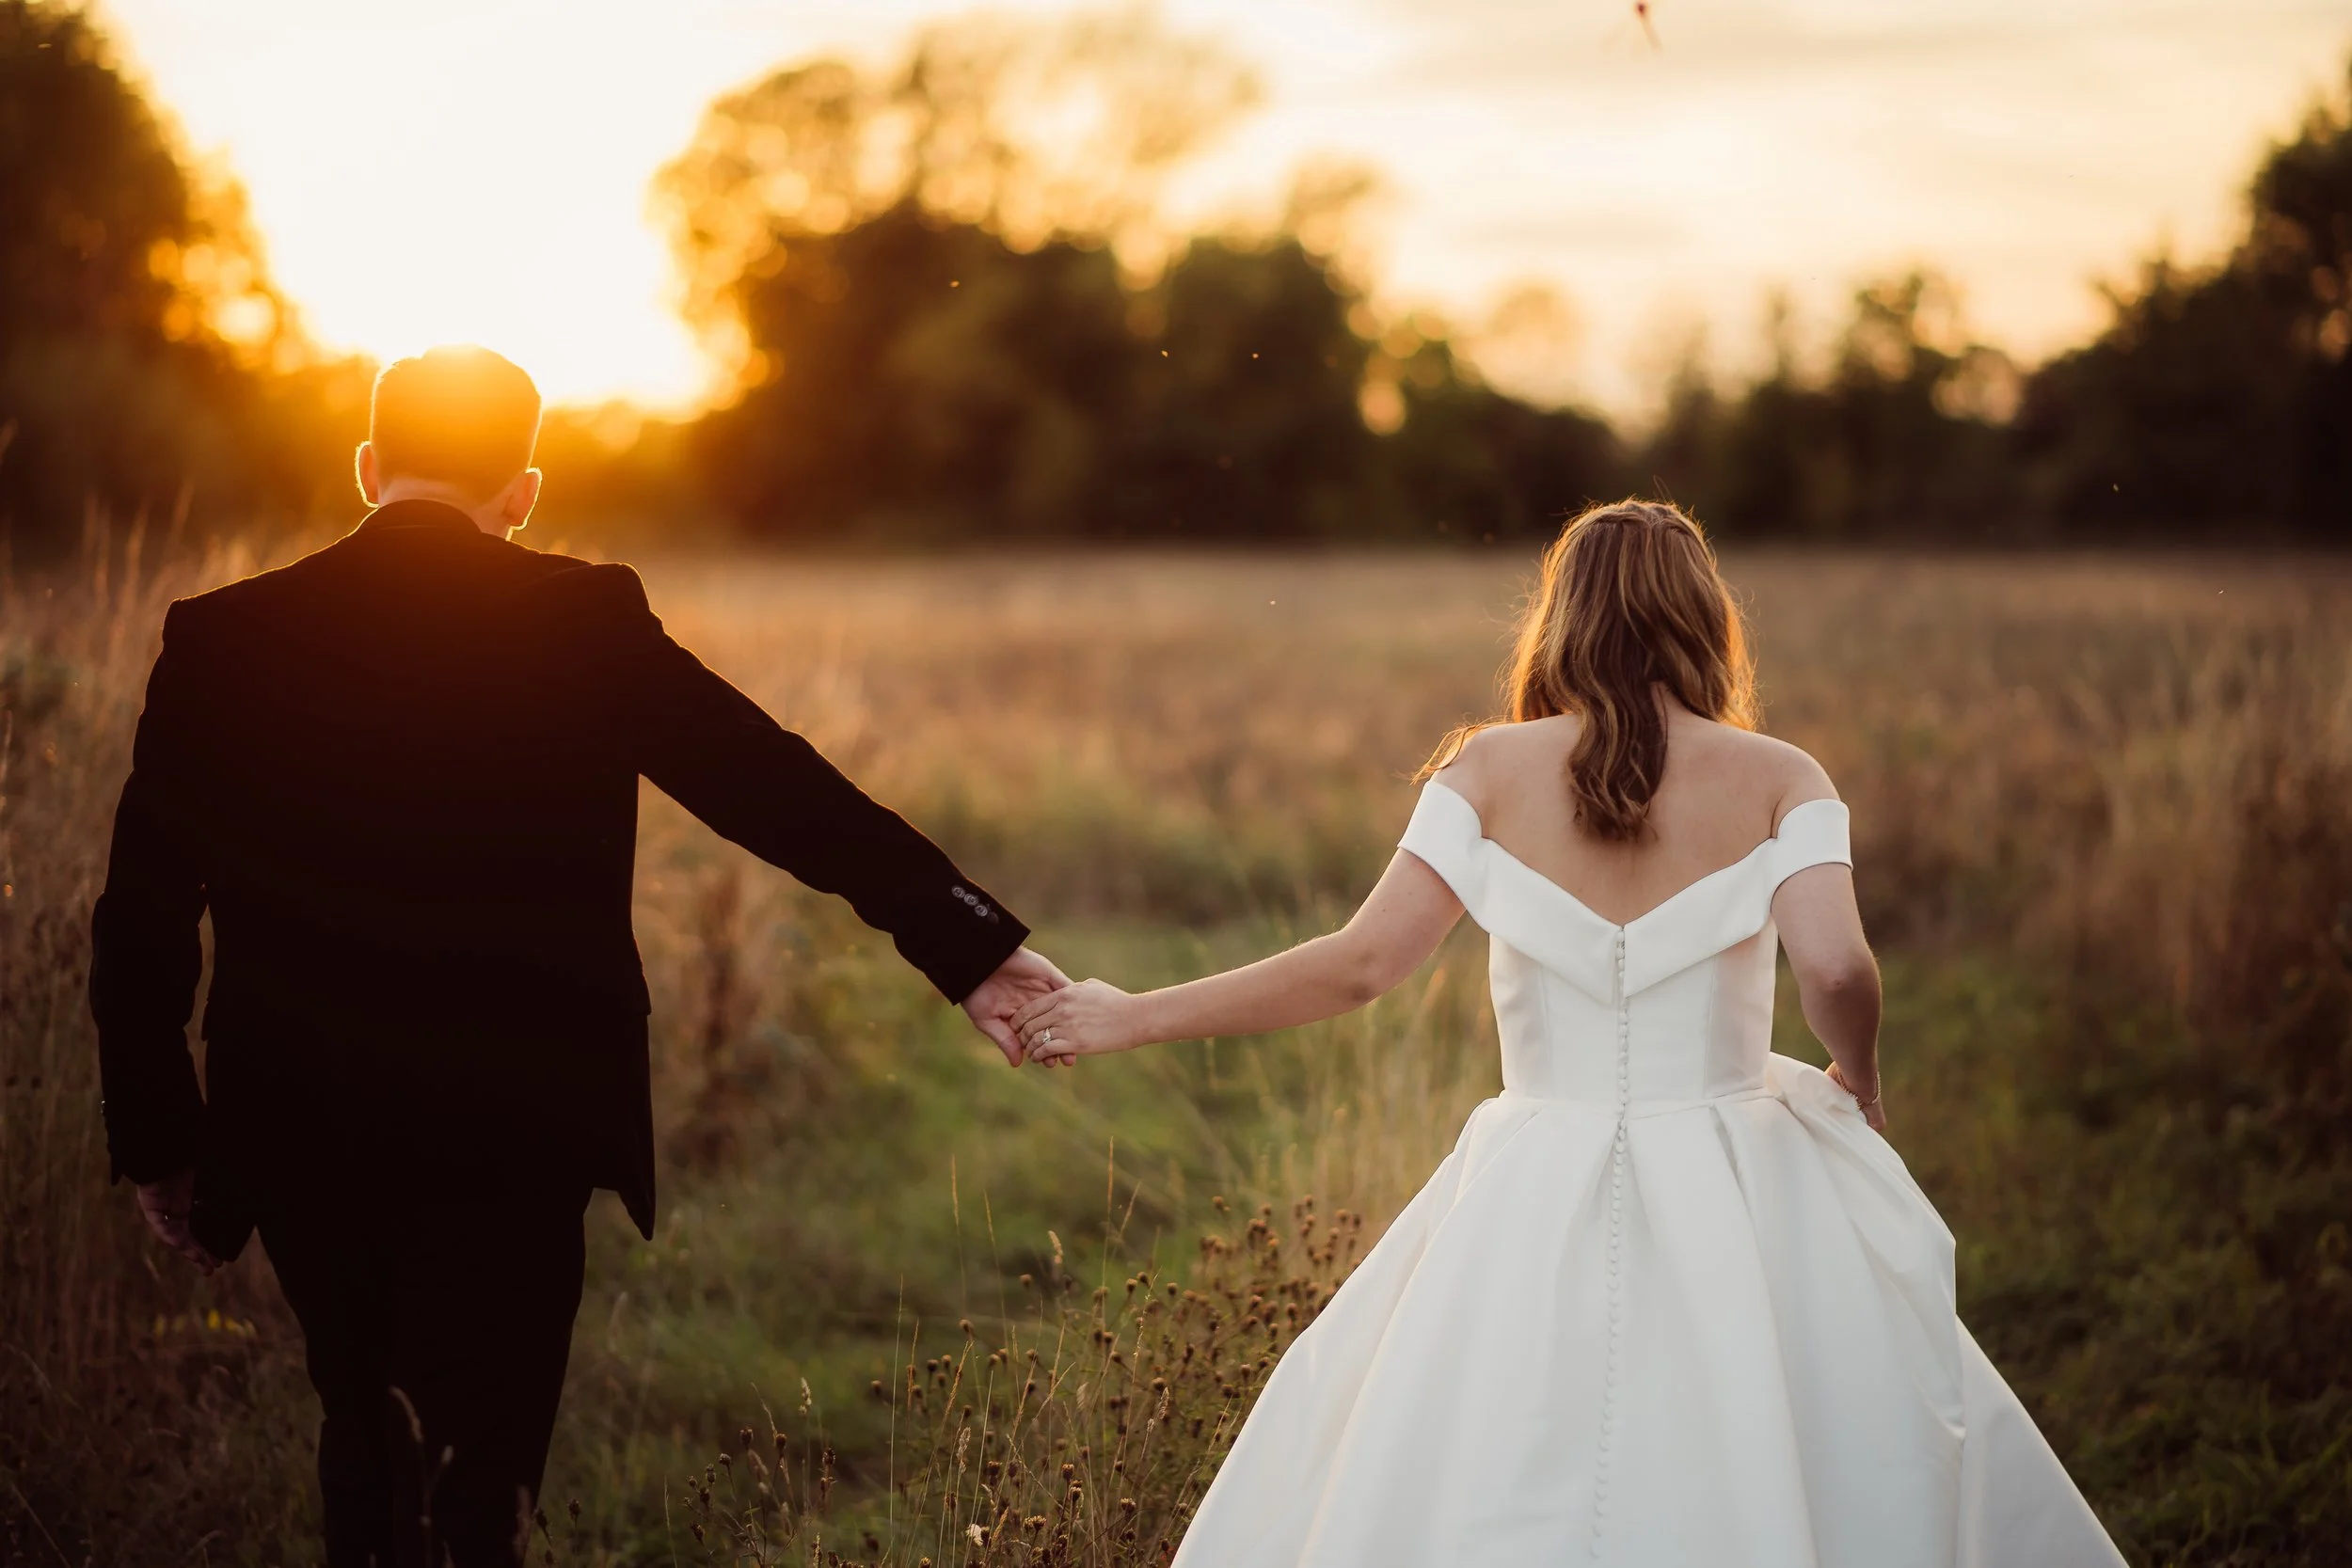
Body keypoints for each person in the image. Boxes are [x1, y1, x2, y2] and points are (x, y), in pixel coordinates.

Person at [88, 344, 1067, 1568]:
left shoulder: (223, 639)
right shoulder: (581, 617)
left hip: (298, 1120)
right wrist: (963, 942)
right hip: (521, 1121)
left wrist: (161, 1136)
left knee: (364, 1426)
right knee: (480, 1470)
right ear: (525, 489)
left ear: (367, 466)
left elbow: (141, 910)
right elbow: (771, 785)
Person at [1013, 500, 2127, 1567]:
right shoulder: (1784, 776)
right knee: (1778, 1442)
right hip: (1735, 1172)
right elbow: (1835, 966)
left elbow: (1359, 965)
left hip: (1532, 1169)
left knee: (1495, 1457)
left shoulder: (1486, 769)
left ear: (1563, 617)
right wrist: (1862, 1077)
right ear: (1704, 621)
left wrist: (1130, 1013)